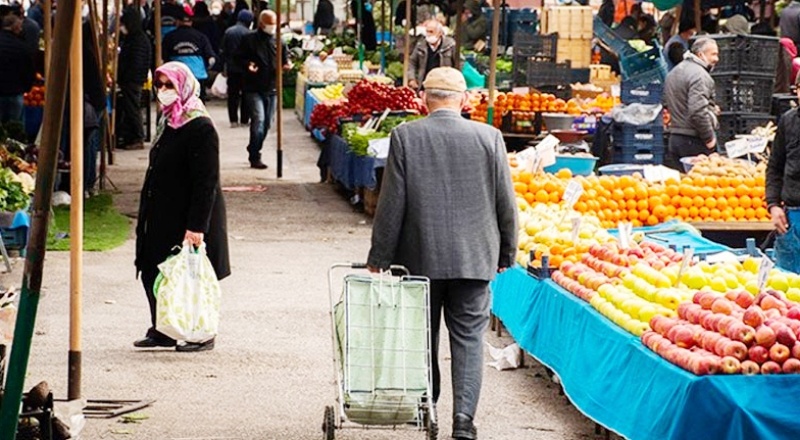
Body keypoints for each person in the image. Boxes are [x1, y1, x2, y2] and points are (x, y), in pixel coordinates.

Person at [366, 67, 517, 440]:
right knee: (469, 340)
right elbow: (506, 202)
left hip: (419, 257)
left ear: (424, 99)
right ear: (464, 100)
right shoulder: (490, 137)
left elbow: (391, 203)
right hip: (474, 259)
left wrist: (379, 256)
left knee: (423, 335)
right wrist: (507, 252)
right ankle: (463, 420)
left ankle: (427, 406)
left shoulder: (406, 136)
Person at [134, 61, 230, 352]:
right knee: (155, 270)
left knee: (190, 276)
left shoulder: (199, 126)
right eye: (160, 85)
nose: (163, 91)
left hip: (188, 214)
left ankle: (201, 333)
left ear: (184, 87)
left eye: (170, 85)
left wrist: (197, 226)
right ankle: (164, 329)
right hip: (163, 211)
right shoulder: (168, 120)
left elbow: (206, 181)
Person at [235, 10, 289, 169]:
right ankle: (255, 155)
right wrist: (248, 65)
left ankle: (254, 147)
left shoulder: (279, 41)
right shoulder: (249, 39)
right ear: (261, 24)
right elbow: (237, 57)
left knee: (267, 124)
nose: (272, 27)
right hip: (253, 87)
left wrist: (286, 66)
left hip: (272, 88)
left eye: (274, 24)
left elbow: (285, 60)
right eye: (269, 24)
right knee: (259, 120)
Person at [663, 37, 720, 171]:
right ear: (700, 54)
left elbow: (668, 102)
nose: (717, 59)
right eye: (713, 54)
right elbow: (697, 111)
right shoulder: (700, 76)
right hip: (694, 140)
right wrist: (709, 139)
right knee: (701, 182)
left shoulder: (674, 72)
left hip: (675, 138)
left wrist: (711, 109)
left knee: (683, 182)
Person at [117, 5, 152, 150]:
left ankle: (137, 137)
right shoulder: (136, 38)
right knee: (130, 108)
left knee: (132, 108)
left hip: (132, 80)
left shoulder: (137, 40)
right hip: (133, 79)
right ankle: (131, 136)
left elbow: (136, 62)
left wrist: (125, 75)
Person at [163, 9, 217, 101]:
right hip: (197, 74)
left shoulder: (169, 37)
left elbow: (163, 57)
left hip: (177, 75)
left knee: (178, 101)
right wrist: (207, 68)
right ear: (191, 22)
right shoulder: (201, 36)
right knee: (198, 102)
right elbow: (211, 58)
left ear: (177, 22)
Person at [220, 9, 252, 128]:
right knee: (246, 95)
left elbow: (223, 50)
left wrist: (224, 67)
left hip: (232, 68)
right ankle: (244, 120)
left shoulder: (229, 32)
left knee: (232, 95)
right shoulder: (249, 34)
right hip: (246, 69)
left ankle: (233, 120)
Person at [0, 14, 34, 124]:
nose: (21, 30)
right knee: (15, 127)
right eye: (19, 27)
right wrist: (27, 87)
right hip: (15, 92)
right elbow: (28, 70)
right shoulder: (22, 47)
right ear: (14, 28)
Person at [407, 20, 457, 89]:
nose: (428, 34)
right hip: (424, 84)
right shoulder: (420, 45)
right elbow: (412, 62)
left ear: (440, 33)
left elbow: (459, 63)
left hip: (444, 85)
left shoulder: (450, 45)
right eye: (427, 31)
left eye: (431, 32)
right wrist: (411, 78)